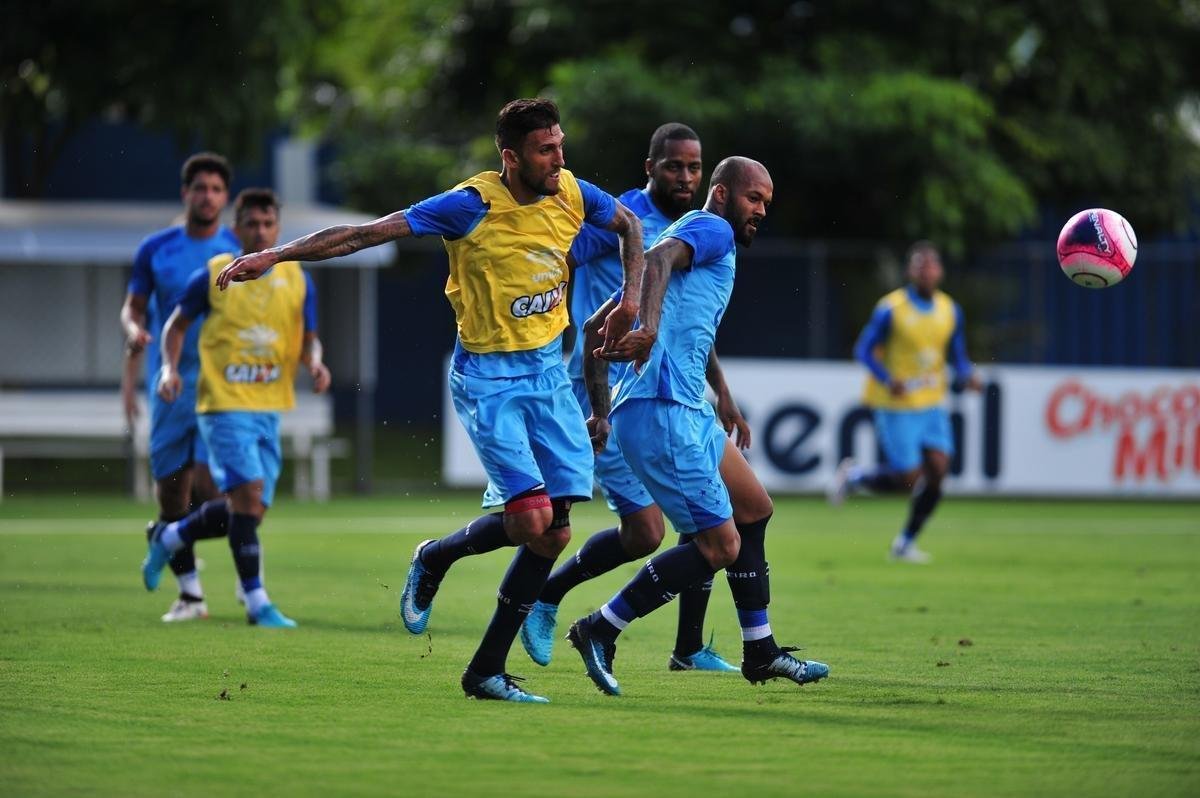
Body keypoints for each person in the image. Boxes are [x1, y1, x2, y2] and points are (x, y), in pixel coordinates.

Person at [213, 99, 645, 702]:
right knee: (528, 520)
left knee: (554, 532)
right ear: (511, 156)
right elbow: (366, 232)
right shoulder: (469, 204)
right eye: (547, 149)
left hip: (549, 374)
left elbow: (629, 225)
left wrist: (631, 299)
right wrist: (277, 254)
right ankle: (437, 557)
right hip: (490, 379)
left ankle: (485, 672)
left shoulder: (572, 192)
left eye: (561, 145)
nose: (559, 158)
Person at [566, 157, 830, 696]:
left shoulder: (687, 246)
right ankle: (600, 627)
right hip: (666, 412)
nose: (760, 210)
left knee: (755, 507)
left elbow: (596, 327)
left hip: (686, 409)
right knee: (719, 546)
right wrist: (650, 330)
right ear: (721, 192)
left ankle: (759, 649)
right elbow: (659, 258)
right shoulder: (708, 228)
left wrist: (600, 410)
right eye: (754, 198)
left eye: (766, 203)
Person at [519, 123, 748, 673]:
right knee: (653, 528)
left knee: (680, 523)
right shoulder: (621, 220)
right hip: (604, 391)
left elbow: (686, 325)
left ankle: (688, 647)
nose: (686, 177)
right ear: (650, 167)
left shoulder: (690, 231)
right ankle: (539, 596)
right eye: (675, 166)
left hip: (663, 392)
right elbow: (561, 261)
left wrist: (722, 392)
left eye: (695, 167)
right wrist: (556, 333)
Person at [142, 188, 330, 627]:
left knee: (251, 510)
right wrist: (169, 370)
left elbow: (308, 338)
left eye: (268, 224)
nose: (261, 231)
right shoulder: (213, 273)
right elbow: (175, 324)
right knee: (245, 496)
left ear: (277, 228)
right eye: (252, 224)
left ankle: (170, 535)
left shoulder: (298, 279)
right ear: (238, 227)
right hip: (222, 404)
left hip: (269, 405)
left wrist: (316, 362)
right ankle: (256, 601)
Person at [120, 153, 240, 622]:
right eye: (199, 188)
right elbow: (132, 308)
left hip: (223, 389)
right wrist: (132, 333)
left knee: (226, 500)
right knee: (172, 492)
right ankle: (191, 596)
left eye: (215, 189)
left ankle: (167, 537)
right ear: (185, 193)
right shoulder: (156, 248)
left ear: (225, 197)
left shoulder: (237, 249)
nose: (207, 196)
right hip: (170, 386)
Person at [828, 241, 982, 563]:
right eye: (919, 265)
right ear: (910, 271)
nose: (926, 271)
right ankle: (855, 478)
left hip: (931, 403)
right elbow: (863, 350)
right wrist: (887, 379)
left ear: (939, 271)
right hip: (895, 403)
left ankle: (905, 543)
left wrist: (968, 374)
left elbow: (957, 354)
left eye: (931, 265)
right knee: (908, 478)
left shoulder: (950, 310)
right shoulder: (892, 309)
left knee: (939, 470)